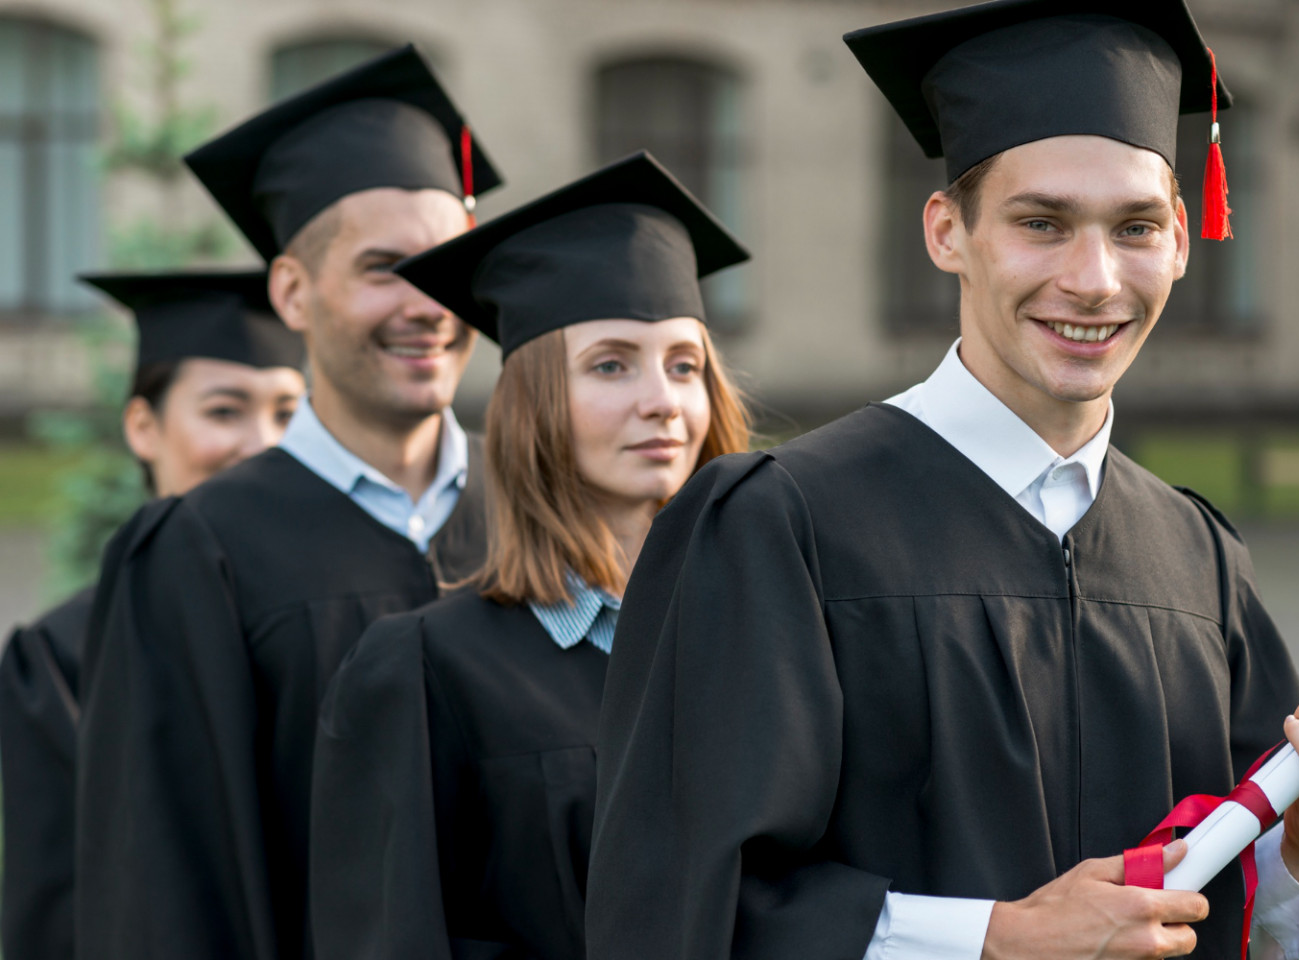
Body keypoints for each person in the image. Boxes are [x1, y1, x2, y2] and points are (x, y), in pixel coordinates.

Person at [587, 4, 1299, 960]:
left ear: (1183, 242)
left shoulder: (1197, 560)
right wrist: (997, 937)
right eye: (1042, 223)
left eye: (1136, 226)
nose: (1096, 278)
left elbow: (1248, 926)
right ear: (947, 231)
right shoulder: (783, 525)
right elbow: (688, 909)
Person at [75, 45, 501, 960]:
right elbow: (163, 886)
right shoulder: (202, 552)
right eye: (386, 267)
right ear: (293, 293)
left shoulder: (548, 517)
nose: (428, 302)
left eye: (448, 261)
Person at [307, 151, 752, 960]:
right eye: (611, 364)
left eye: (684, 366)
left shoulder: (771, 638)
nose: (662, 400)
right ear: (535, 403)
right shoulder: (430, 670)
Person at [1, 269, 305, 960]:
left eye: (288, 414)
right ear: (143, 426)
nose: (260, 444)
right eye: (224, 411)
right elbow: (55, 916)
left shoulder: (340, 625)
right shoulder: (60, 655)